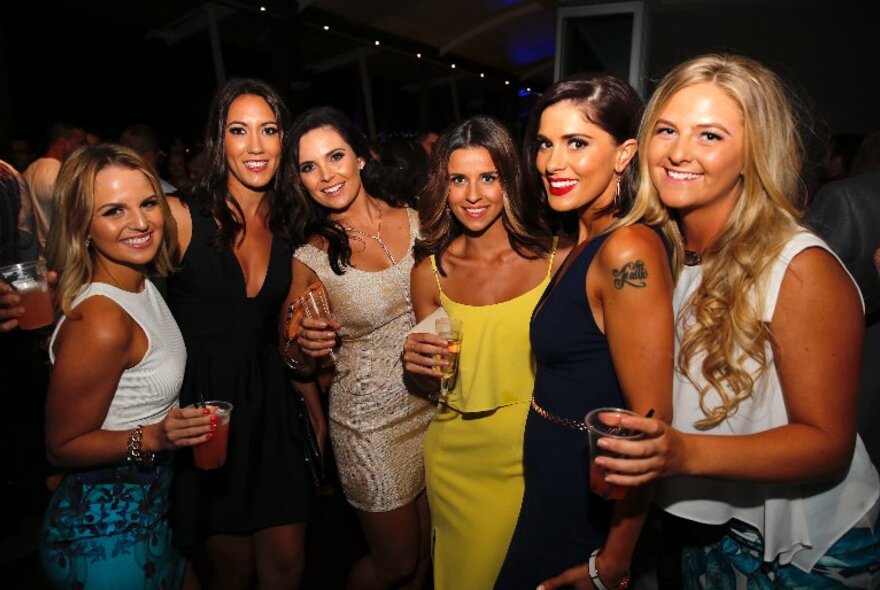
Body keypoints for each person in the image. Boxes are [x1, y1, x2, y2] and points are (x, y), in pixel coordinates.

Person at [597, 54, 880, 588]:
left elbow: (827, 443)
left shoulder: (799, 268)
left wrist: (681, 452)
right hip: (707, 529)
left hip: (807, 552)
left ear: (754, 152)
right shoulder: (663, 251)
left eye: (710, 136)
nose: (679, 152)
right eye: (667, 130)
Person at [491, 74, 674, 590]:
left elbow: (650, 425)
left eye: (577, 143)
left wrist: (611, 564)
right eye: (546, 144)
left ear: (624, 154)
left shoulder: (626, 249)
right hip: (553, 488)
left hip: (588, 505)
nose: (553, 163)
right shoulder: (580, 240)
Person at [401, 116, 570, 589]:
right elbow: (433, 378)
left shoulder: (561, 260)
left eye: (488, 178)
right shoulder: (430, 272)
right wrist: (414, 365)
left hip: (534, 453)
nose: (473, 195)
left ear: (510, 181)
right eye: (458, 179)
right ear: (443, 186)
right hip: (456, 458)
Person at [165, 78, 321, 590]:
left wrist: (316, 415)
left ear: (284, 140)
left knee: (287, 565)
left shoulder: (295, 226)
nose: (255, 147)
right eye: (239, 130)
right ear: (219, 141)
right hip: (208, 412)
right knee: (233, 571)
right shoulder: (179, 217)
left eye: (269, 130)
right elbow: (109, 274)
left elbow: (290, 336)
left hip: (274, 409)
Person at [39, 144, 213, 589]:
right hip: (102, 536)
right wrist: (155, 436)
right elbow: (62, 446)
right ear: (83, 226)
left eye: (148, 202)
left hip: (153, 518)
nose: (140, 223)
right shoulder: (102, 319)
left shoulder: (141, 283)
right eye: (114, 211)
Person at [285, 106, 434, 590]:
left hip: (436, 409)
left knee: (428, 557)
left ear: (361, 158)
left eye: (335, 157)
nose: (326, 176)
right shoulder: (312, 257)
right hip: (370, 427)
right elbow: (290, 354)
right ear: (300, 180)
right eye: (310, 167)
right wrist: (303, 346)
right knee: (395, 564)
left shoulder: (420, 220)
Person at [22, 121, 87, 255]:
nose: (83, 149)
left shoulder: (29, 170)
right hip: (61, 259)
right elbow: (77, 224)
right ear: (63, 143)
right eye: (80, 143)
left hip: (39, 257)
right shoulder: (61, 175)